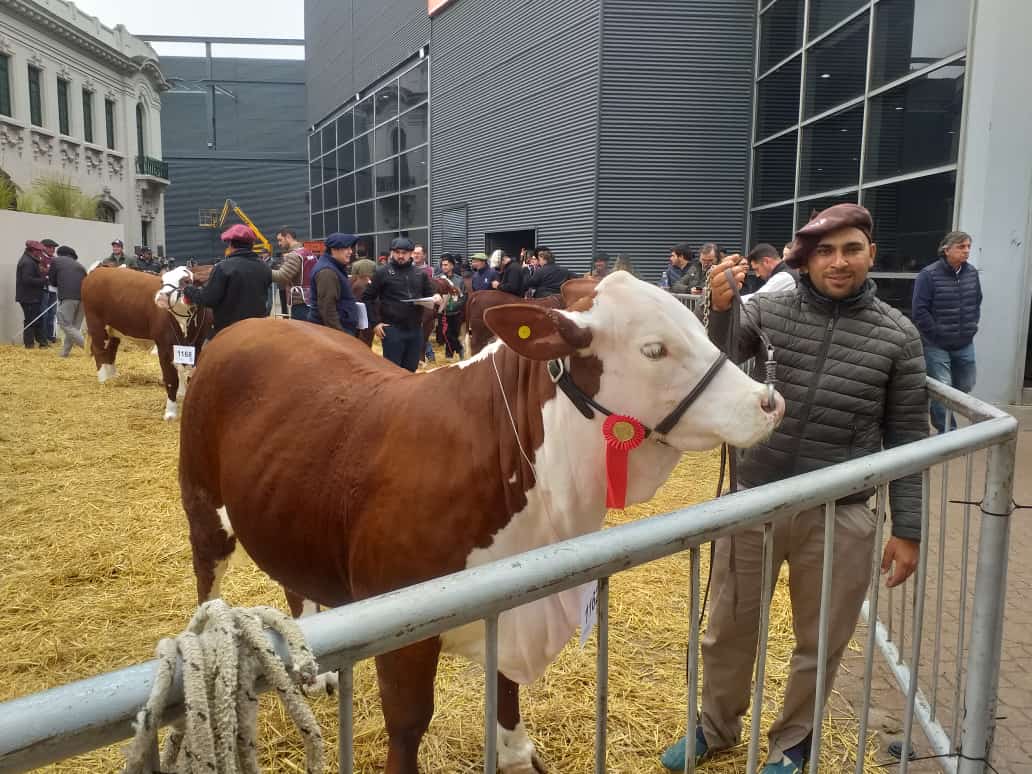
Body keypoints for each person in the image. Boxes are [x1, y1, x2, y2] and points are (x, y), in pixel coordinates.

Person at [661, 203, 927, 774]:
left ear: (871, 255)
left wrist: (909, 529)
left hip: (840, 512)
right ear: (805, 259)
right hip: (754, 497)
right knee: (728, 627)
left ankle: (792, 743)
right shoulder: (768, 308)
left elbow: (908, 436)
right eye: (825, 251)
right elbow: (722, 357)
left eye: (851, 249)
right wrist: (720, 308)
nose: (838, 262)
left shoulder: (898, 336)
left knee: (821, 639)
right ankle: (715, 727)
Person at [912, 230, 982, 434]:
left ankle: (938, 408)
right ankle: (947, 431)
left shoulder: (971, 273)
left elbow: (977, 301)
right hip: (936, 344)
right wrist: (936, 334)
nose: (966, 251)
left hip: (964, 342)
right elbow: (919, 310)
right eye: (961, 247)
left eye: (968, 246)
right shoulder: (928, 275)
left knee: (966, 384)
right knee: (943, 388)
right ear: (946, 249)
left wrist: (972, 326)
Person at [361, 236, 442, 372]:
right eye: (397, 252)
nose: (400, 256)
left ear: (411, 254)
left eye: (404, 253)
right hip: (392, 330)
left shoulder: (420, 274)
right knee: (393, 371)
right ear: (392, 253)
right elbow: (367, 297)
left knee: (411, 369)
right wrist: (375, 323)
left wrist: (436, 296)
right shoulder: (382, 272)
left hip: (415, 330)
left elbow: (429, 293)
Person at [183, 224, 272, 336]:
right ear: (251, 245)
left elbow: (208, 299)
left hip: (230, 332)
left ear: (230, 244)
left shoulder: (223, 267)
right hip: (256, 330)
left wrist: (188, 289)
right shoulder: (264, 267)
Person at [308, 232, 361, 336]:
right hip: (333, 334)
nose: (350, 251)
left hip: (337, 330)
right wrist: (340, 336)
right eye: (346, 248)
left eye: (350, 248)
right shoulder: (327, 272)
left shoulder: (334, 267)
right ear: (333, 249)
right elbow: (327, 309)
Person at [48, 245, 88, 356]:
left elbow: (52, 280)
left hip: (68, 297)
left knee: (64, 324)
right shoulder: (80, 265)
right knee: (73, 328)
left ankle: (91, 348)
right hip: (83, 298)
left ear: (59, 253)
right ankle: (64, 353)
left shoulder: (56, 261)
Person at [271, 228, 317, 320]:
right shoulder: (308, 252)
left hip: (300, 302)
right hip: (311, 300)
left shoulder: (294, 255)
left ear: (288, 237)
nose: (279, 243)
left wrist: (264, 270)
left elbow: (282, 276)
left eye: (280, 240)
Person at [15, 240, 49, 349]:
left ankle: (42, 343)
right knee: (31, 321)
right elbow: (27, 279)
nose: (41, 253)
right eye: (39, 251)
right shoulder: (27, 262)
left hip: (32, 296)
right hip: (29, 297)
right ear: (33, 250)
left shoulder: (31, 260)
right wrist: (44, 281)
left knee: (37, 319)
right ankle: (29, 344)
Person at [437, 255, 467, 358]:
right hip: (442, 311)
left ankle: (452, 353)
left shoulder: (459, 280)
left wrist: (455, 306)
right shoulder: (438, 279)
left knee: (453, 334)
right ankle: (455, 352)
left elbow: (463, 297)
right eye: (442, 265)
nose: (444, 267)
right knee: (446, 334)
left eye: (446, 265)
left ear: (452, 266)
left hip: (455, 312)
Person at [40, 238, 59, 342]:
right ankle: (43, 336)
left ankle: (51, 335)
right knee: (44, 313)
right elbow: (41, 271)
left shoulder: (55, 259)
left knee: (52, 313)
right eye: (50, 247)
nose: (53, 250)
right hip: (44, 289)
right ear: (44, 248)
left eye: (54, 248)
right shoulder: (40, 258)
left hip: (53, 290)